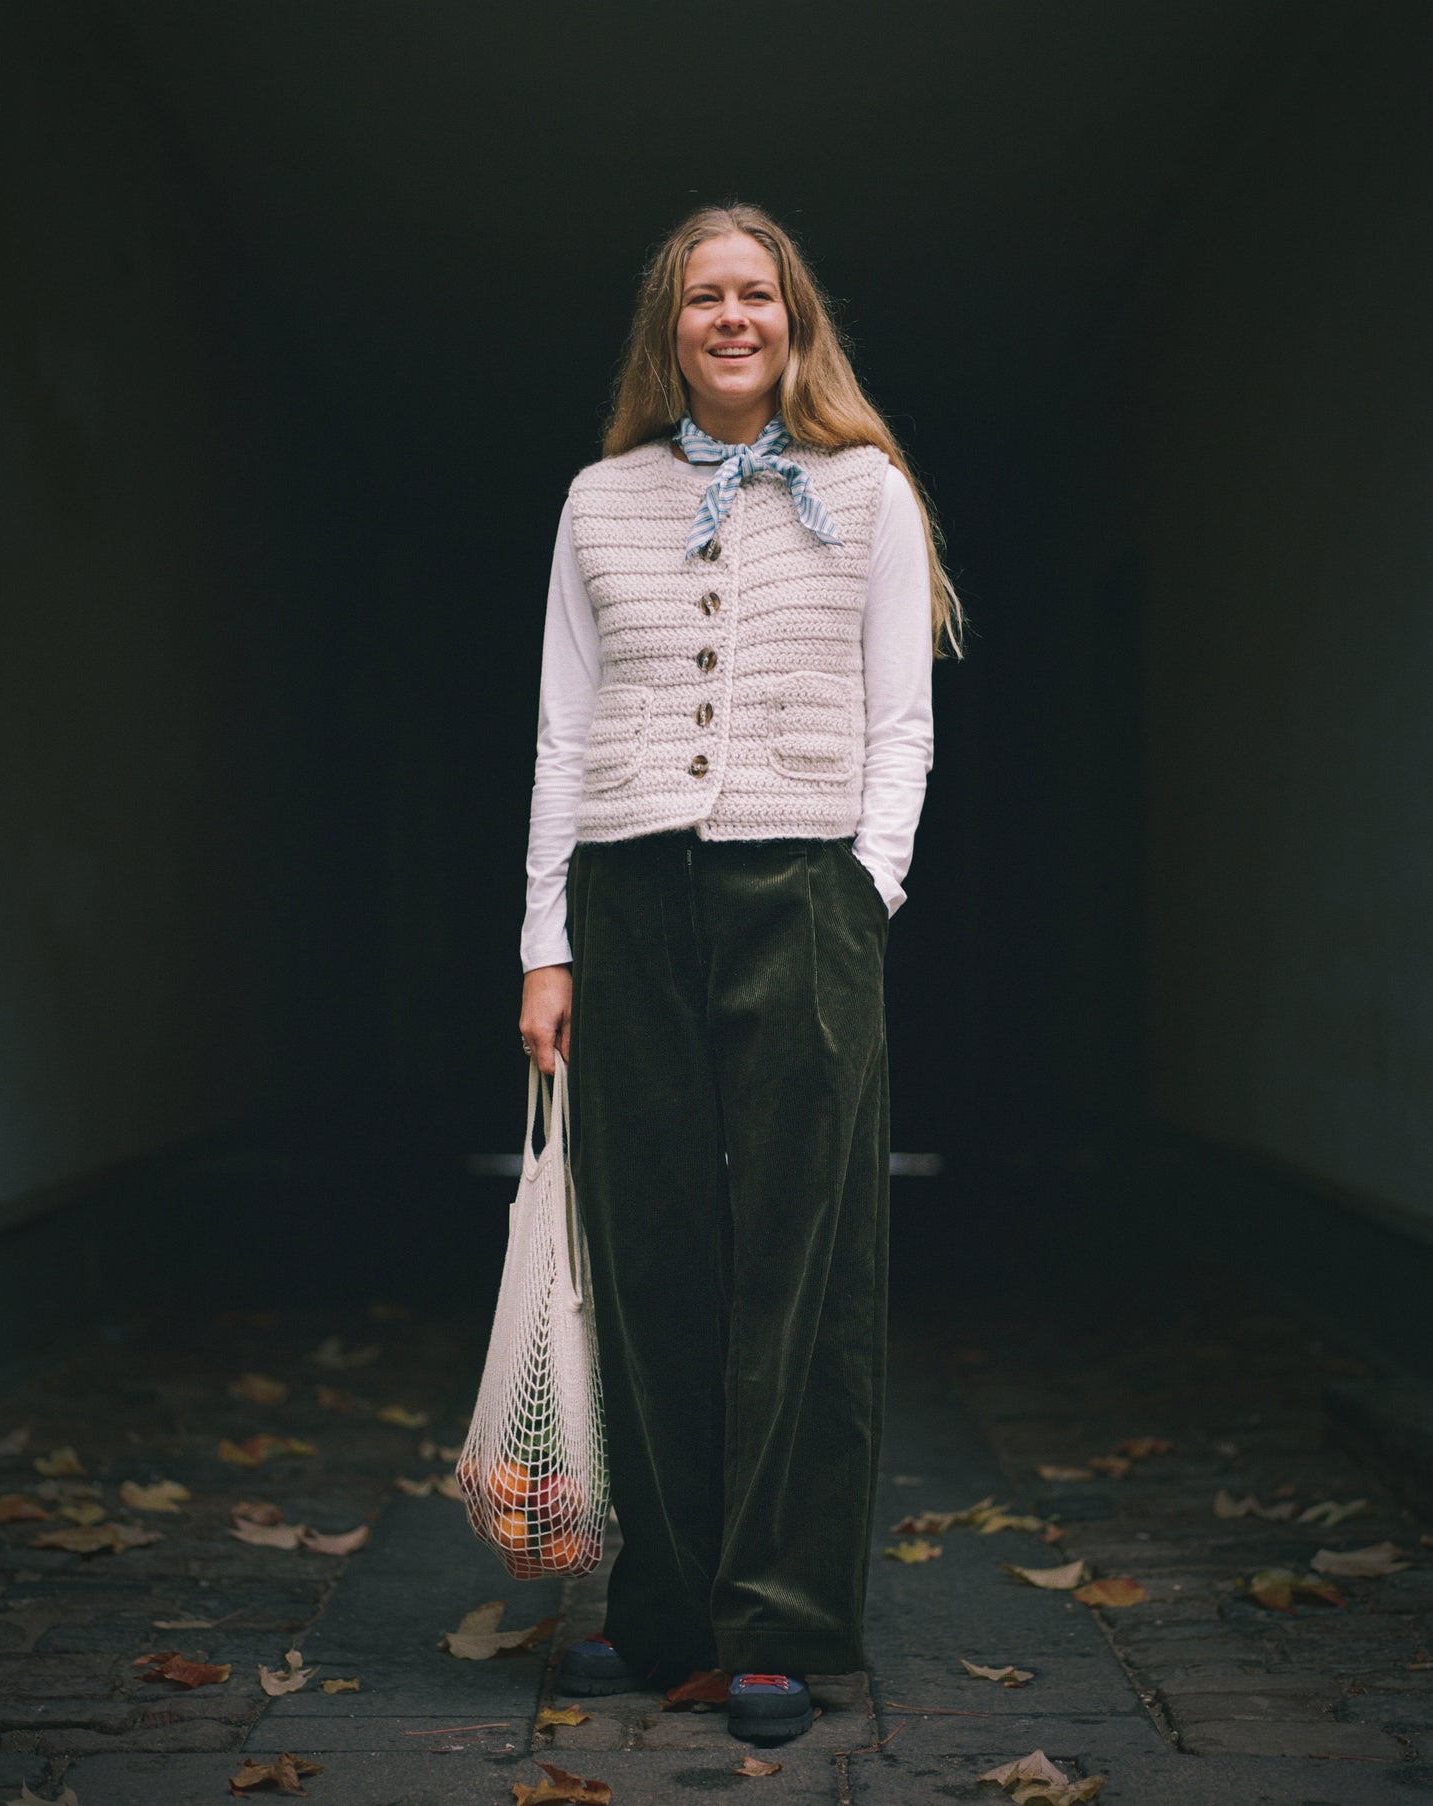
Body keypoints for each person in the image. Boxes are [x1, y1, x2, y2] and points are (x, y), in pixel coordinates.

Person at [516, 201, 964, 1746]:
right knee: (650, 1260)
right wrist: (545, 941)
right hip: (628, 893)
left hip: (805, 892)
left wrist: (864, 885)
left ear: (793, 321)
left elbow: (900, 717)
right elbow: (565, 729)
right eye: (701, 296)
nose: (728, 317)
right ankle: (663, 1608)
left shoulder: (867, 491)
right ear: (667, 327)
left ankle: (777, 1616)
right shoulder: (596, 502)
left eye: (753, 294)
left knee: (802, 1259)